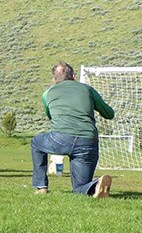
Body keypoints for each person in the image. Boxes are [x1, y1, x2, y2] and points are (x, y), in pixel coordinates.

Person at [31, 61, 115, 197]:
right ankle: (96, 184)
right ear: (74, 76)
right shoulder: (87, 89)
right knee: (79, 188)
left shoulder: (47, 94)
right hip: (88, 141)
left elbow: (51, 117)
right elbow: (109, 114)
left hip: (60, 139)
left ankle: (41, 186)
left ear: (54, 79)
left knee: (36, 142)